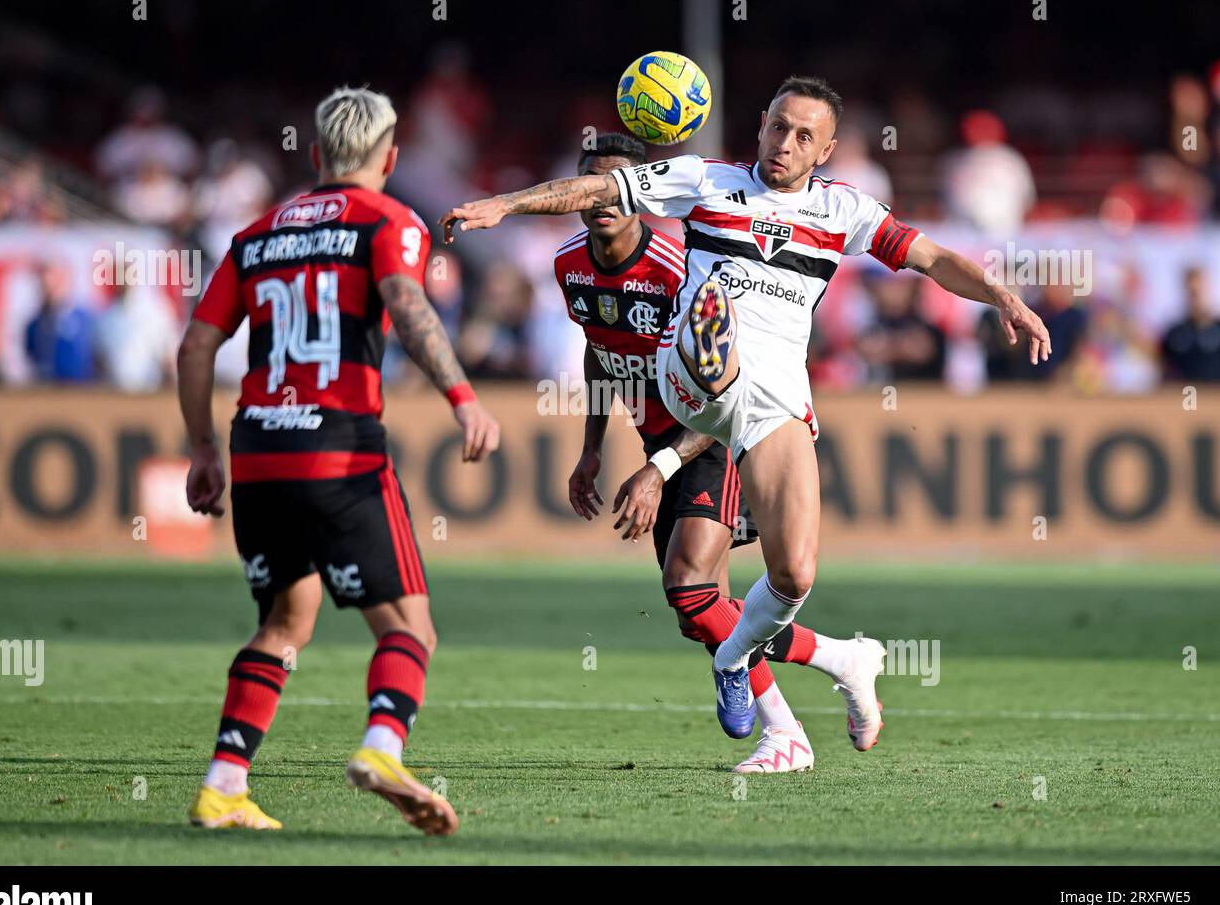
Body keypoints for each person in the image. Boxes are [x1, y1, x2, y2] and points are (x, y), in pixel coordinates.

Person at [441, 75, 1051, 749]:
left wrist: (1004, 299)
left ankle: (767, 660)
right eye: (777, 127)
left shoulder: (844, 211)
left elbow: (930, 257)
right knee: (713, 344)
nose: (785, 143)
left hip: (775, 404)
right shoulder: (704, 180)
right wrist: (506, 204)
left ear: (826, 151)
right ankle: (708, 331)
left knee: (791, 575)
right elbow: (601, 190)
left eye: (803, 136)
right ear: (761, 124)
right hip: (689, 384)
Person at [178, 86, 500, 835]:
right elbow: (406, 302)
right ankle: (382, 748)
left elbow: (197, 343)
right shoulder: (388, 219)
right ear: (390, 159)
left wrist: (202, 448)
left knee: (286, 622)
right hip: (338, 446)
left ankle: (224, 785)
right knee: (409, 632)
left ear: (318, 156)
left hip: (256, 448)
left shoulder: (256, 235)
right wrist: (462, 397)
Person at [559, 133, 816, 773]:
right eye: (591, 185)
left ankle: (787, 727)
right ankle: (839, 659)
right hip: (656, 441)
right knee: (697, 610)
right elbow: (599, 351)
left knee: (688, 583)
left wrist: (657, 468)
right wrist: (592, 449)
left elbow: (727, 378)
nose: (602, 200)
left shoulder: (680, 272)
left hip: (713, 433)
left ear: (641, 196)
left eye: (616, 186)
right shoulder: (568, 265)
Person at [1160, 266, 1220, 383]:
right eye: (1192, 292)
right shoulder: (1175, 332)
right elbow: (1164, 369)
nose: (1197, 297)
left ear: (1209, 289)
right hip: (1185, 398)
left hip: (1219, 398)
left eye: (1200, 290)